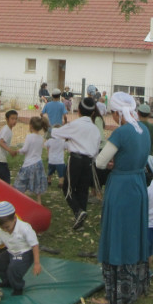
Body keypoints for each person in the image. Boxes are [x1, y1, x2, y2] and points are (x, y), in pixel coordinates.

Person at [92, 92, 151, 304]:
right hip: (138, 184)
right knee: (134, 232)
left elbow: (100, 161)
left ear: (118, 112)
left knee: (117, 233)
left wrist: (111, 163)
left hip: (121, 187)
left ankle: (116, 293)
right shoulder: (144, 130)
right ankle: (137, 285)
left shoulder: (121, 133)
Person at [51, 97, 102, 230]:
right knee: (82, 191)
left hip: (76, 160)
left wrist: (47, 127)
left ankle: (78, 211)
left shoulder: (75, 124)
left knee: (67, 189)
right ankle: (80, 223)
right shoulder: (95, 129)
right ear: (92, 113)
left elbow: (56, 133)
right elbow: (95, 150)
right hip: (89, 162)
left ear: (78, 110)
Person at [0, 201, 41, 302]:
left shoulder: (24, 228)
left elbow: (35, 245)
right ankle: (7, 282)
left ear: (14, 218)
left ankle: (18, 287)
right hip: (12, 252)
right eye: (2, 228)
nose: (5, 230)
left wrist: (37, 263)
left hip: (25, 253)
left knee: (13, 268)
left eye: (7, 227)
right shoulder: (0, 230)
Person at [13, 116, 50, 205]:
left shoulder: (29, 137)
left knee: (21, 182)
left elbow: (25, 149)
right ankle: (39, 201)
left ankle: (20, 199)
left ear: (31, 126)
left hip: (28, 164)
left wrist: (18, 151)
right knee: (38, 182)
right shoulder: (41, 138)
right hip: (38, 163)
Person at [0, 110, 20, 184]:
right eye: (12, 118)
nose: (14, 121)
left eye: (16, 119)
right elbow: (1, 143)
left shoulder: (7, 128)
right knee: (5, 182)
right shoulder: (7, 130)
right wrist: (10, 151)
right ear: (6, 119)